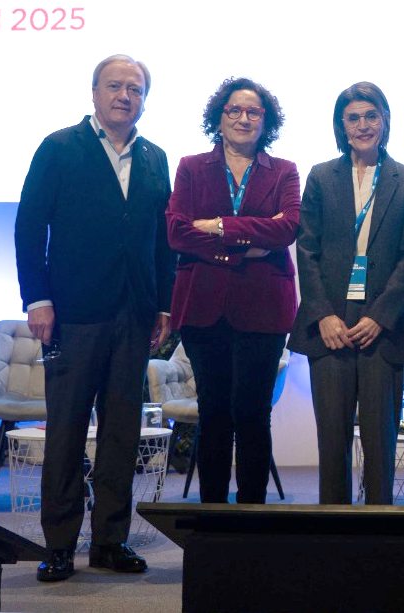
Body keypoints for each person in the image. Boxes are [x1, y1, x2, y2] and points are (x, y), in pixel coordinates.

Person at [15, 54, 174, 581]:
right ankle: (60, 545)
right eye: (114, 86)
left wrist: (164, 303)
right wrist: (37, 299)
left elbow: (162, 239)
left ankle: (110, 540)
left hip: (135, 313)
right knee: (66, 431)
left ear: (144, 99)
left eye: (135, 88)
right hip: (74, 312)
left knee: (122, 433)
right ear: (94, 92)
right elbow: (29, 226)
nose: (124, 96)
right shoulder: (59, 147)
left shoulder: (155, 156)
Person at [165, 77, 300, 504]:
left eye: (253, 111)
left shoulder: (284, 171)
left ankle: (253, 513)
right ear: (219, 118)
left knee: (253, 413)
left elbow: (287, 228)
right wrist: (244, 248)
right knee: (214, 412)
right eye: (234, 110)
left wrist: (220, 226)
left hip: (264, 309)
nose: (244, 118)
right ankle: (213, 513)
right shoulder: (191, 167)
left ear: (266, 120)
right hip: (203, 308)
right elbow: (177, 232)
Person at [290, 82, 404, 504]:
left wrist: (380, 316)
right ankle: (332, 528)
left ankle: (380, 526)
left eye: (371, 116)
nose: (363, 125)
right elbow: (306, 249)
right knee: (332, 441)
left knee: (381, 442)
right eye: (353, 118)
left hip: (382, 327)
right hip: (329, 324)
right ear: (341, 125)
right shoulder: (320, 176)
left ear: (385, 121)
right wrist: (323, 315)